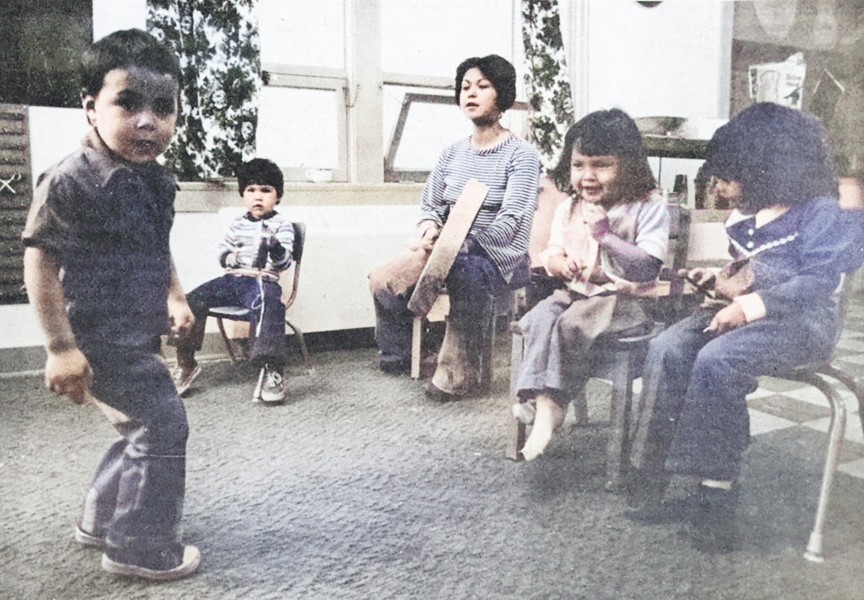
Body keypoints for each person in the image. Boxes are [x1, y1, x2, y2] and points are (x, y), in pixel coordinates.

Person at [626, 102, 864, 553]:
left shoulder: (820, 211)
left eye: (726, 178)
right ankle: (657, 473)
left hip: (803, 323)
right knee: (669, 346)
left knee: (718, 360)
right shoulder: (748, 216)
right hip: (752, 316)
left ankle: (717, 493)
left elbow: (816, 282)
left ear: (768, 169)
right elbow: (751, 271)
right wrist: (719, 281)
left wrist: (747, 306)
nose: (717, 188)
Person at [21, 29, 200, 580]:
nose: (148, 121)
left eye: (163, 108)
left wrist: (174, 293)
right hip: (96, 336)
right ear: (91, 107)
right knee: (163, 426)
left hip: (137, 332)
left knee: (141, 428)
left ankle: (102, 519)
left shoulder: (156, 181)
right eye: (128, 103)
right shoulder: (70, 182)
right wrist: (60, 348)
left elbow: (155, 245)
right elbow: (41, 264)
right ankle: (138, 546)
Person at [370, 54, 542, 399]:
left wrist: (467, 243)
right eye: (465, 87)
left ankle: (456, 368)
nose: (471, 94)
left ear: (502, 95)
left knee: (464, 271)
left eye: (482, 86)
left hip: (498, 257)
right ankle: (404, 354)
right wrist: (431, 228)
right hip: (447, 247)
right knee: (383, 281)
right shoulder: (451, 153)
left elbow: (513, 220)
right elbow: (431, 204)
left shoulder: (522, 155)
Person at [512, 109, 669, 461]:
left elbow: (647, 267)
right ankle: (535, 397)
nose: (587, 176)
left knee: (571, 322)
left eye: (601, 165)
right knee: (539, 317)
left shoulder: (648, 207)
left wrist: (606, 236)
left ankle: (551, 403)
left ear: (628, 165)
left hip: (624, 304)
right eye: (579, 165)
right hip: (575, 295)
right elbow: (551, 251)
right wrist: (557, 262)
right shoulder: (568, 207)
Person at [169, 158, 294, 404]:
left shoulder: (282, 225)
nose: (258, 197)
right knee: (191, 300)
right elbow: (223, 255)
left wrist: (275, 248)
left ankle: (272, 369)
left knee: (270, 304)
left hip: (261, 281)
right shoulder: (236, 224)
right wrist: (233, 256)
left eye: (266, 191)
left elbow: (284, 263)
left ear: (277, 196)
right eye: (251, 190)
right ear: (242, 194)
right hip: (233, 280)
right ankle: (186, 363)